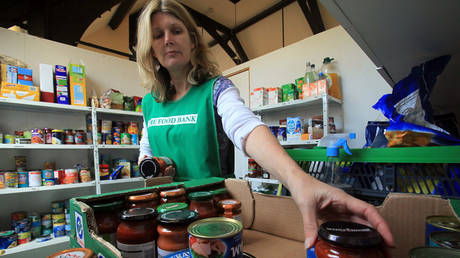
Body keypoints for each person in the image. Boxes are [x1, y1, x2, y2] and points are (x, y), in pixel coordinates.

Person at [136, 0, 395, 250]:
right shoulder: (149, 103)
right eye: (158, 35)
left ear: (192, 40)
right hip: (164, 219)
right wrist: (147, 163)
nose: (168, 39)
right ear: (151, 49)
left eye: (176, 30)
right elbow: (146, 149)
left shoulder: (215, 89)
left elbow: (245, 127)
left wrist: (298, 181)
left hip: (210, 219)